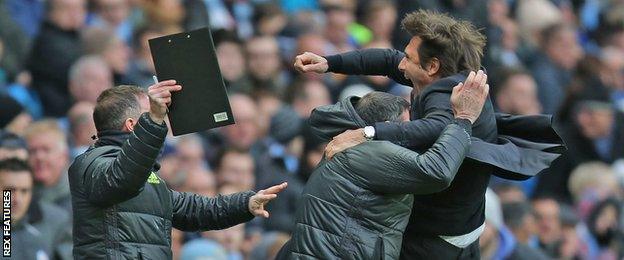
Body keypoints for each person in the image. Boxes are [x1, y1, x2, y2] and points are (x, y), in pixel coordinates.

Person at [294, 9, 564, 259]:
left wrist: (366, 132)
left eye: (409, 58)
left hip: (438, 238)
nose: (402, 64)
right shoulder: (446, 73)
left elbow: (436, 126)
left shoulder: (446, 93)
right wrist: (330, 63)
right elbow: (389, 60)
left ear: (433, 65)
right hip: (463, 224)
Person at [276, 72, 487, 259]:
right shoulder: (368, 151)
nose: (413, 134)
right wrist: (463, 119)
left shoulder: (353, 147)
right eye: (407, 127)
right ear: (385, 127)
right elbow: (436, 171)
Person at [68, 83, 288, 259]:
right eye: (153, 113)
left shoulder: (146, 176)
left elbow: (194, 210)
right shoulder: (91, 163)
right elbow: (120, 180)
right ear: (133, 125)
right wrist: (153, 121)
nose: (162, 120)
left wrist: (245, 204)